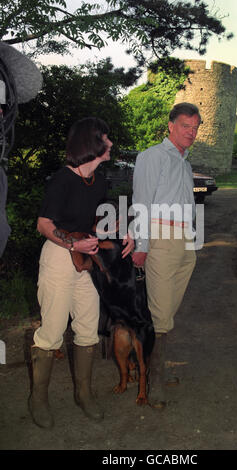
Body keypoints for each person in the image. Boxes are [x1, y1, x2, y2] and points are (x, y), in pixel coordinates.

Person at [29, 117, 134, 428]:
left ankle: (84, 394)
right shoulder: (61, 180)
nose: (111, 144)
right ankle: (38, 399)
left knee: (88, 329)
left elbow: (101, 220)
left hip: (86, 263)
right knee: (51, 333)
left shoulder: (99, 181)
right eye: (106, 138)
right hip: (60, 259)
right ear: (92, 143)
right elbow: (44, 225)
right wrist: (74, 241)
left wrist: (124, 229)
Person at [132, 102, 201, 408]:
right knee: (161, 315)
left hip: (184, 240)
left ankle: (151, 367)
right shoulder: (153, 156)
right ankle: (154, 383)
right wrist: (142, 245)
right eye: (186, 126)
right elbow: (142, 202)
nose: (192, 132)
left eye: (196, 127)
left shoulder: (184, 162)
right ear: (171, 125)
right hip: (160, 238)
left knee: (166, 313)